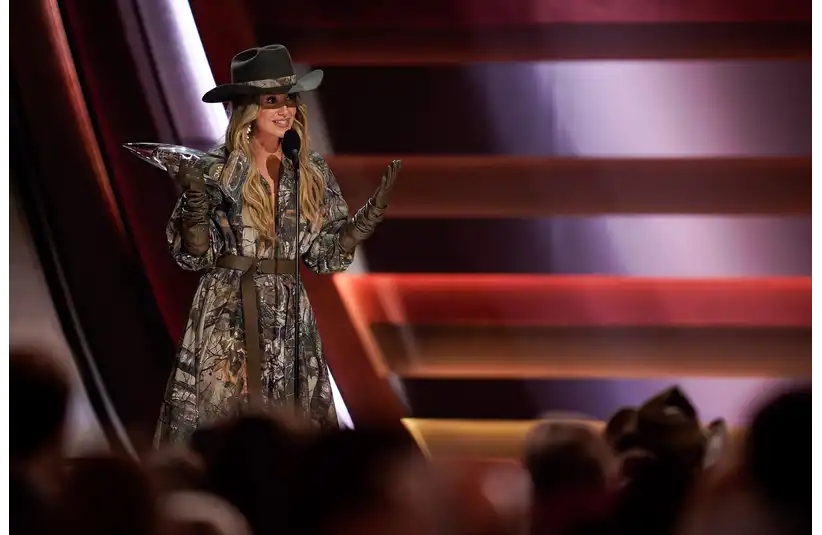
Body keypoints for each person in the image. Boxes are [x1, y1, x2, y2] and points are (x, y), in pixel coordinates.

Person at [154, 44, 401, 445]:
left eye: (290, 98)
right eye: (273, 100)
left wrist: (363, 221)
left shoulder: (311, 171)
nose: (285, 109)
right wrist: (197, 202)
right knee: (226, 422)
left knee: (295, 426)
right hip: (228, 307)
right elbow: (195, 253)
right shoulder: (215, 170)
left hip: (290, 310)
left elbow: (323, 256)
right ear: (247, 108)